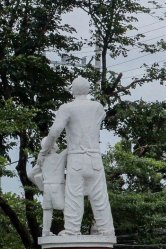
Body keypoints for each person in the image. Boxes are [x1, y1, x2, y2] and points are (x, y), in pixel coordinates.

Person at [37, 76, 114, 236]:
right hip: (94, 157)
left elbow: (55, 131)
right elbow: (101, 117)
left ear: (72, 90)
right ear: (88, 90)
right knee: (99, 195)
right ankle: (107, 229)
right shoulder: (97, 107)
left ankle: (72, 230)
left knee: (74, 195)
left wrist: (44, 152)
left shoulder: (67, 108)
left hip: (76, 157)